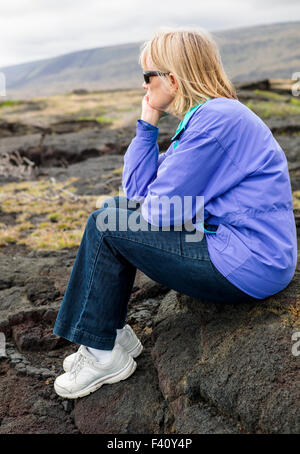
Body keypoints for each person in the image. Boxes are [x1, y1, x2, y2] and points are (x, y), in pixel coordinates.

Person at [52, 27, 297, 399]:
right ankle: (110, 333)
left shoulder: (216, 122)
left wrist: (150, 124)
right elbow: (134, 195)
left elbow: (156, 210)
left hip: (248, 262)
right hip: (245, 252)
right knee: (113, 212)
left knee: (106, 224)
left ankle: (103, 354)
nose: (144, 87)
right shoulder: (210, 118)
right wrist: (148, 121)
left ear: (173, 78)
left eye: (146, 77)